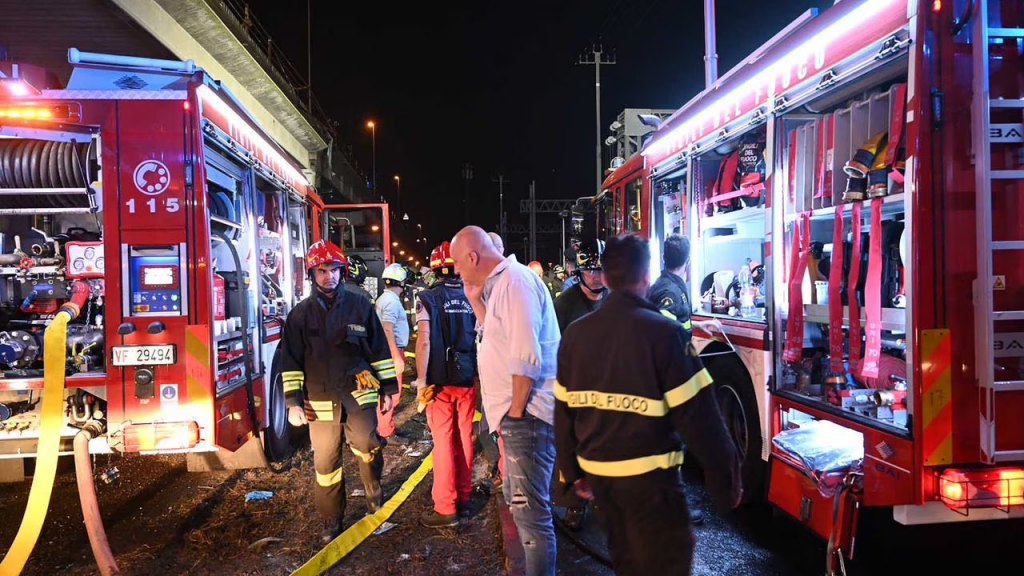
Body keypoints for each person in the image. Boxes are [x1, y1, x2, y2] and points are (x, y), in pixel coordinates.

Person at [555, 234, 741, 575]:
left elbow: (563, 412)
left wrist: (572, 473)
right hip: (652, 487)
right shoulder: (664, 334)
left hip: (602, 484)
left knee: (626, 561)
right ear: (645, 277)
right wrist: (725, 482)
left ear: (607, 278)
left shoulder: (575, 336)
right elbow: (701, 415)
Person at [451, 226, 559, 576]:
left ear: (472, 256)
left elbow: (526, 357)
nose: (455, 270)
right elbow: (499, 341)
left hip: (526, 417)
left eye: (456, 262)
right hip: (518, 417)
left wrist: (513, 416)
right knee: (522, 506)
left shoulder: (514, 282)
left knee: (532, 517)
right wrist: (474, 301)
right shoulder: (503, 284)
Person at [280, 240, 399, 543]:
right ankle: (332, 519)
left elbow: (379, 350)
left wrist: (388, 388)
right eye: (321, 270)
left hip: (359, 393)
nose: (328, 276)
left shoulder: (361, 306)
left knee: (367, 444)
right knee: (325, 462)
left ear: (342, 271)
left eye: (333, 270)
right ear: (312, 273)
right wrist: (293, 402)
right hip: (318, 398)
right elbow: (290, 361)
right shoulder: (300, 315)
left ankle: (375, 497)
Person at [646, 233, 721, 525]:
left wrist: (701, 323)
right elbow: (665, 332)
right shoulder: (669, 291)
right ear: (688, 262)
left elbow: (677, 324)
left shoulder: (669, 287)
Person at [413, 241, 479, 527]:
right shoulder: (473, 294)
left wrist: (421, 381)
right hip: (467, 379)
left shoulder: (426, 298)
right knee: (464, 437)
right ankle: (464, 497)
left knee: (442, 441)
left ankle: (445, 506)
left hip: (439, 383)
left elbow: (425, 341)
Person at [550, 239, 606, 530]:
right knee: (573, 447)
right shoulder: (565, 304)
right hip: (576, 386)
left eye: (601, 270)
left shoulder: (613, 298)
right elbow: (553, 344)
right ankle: (574, 504)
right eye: (591, 270)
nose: (597, 276)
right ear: (581, 272)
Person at [375, 263, 410, 439]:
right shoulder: (391, 302)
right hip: (392, 352)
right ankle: (385, 431)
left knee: (387, 392)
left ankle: (385, 427)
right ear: (401, 282)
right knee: (392, 393)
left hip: (388, 351)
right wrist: (396, 356)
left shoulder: (384, 299)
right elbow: (388, 329)